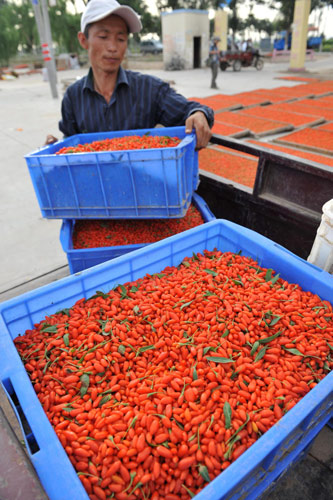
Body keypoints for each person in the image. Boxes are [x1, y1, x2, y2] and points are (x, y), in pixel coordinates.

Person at [46, 0, 213, 149]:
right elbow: (71, 142)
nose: (113, 47)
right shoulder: (73, 97)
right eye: (103, 36)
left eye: (121, 39)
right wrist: (56, 148)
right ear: (83, 40)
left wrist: (198, 114)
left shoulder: (149, 89)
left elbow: (190, 110)